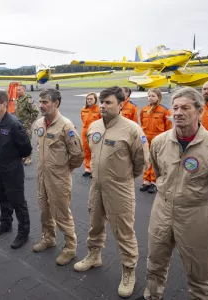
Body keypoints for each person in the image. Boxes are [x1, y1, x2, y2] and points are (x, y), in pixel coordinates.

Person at [136, 87, 208, 300]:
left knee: (199, 271)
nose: (178, 112)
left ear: (199, 111)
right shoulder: (159, 142)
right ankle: (152, 296)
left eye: (185, 107)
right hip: (162, 208)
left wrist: (197, 200)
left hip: (195, 213)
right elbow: (159, 173)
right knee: (155, 261)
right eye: (175, 108)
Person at [74, 86, 149, 298]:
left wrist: (123, 177)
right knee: (95, 224)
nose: (102, 106)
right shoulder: (95, 126)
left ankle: (128, 270)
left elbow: (141, 162)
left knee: (124, 230)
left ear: (121, 104)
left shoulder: (132, 129)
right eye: (102, 101)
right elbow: (91, 152)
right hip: (96, 185)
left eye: (108, 102)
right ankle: (94, 255)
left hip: (120, 186)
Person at [32, 89, 83, 266]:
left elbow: (77, 155)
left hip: (59, 178)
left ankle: (70, 248)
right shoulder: (39, 123)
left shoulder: (66, 126)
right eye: (40, 102)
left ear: (56, 103)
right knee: (44, 210)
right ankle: (49, 238)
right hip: (42, 177)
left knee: (61, 214)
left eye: (45, 102)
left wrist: (64, 170)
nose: (41, 105)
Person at [0, 90, 32, 249]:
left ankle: (23, 233)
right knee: (1, 197)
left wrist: (13, 158)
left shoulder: (14, 124)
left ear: (4, 104)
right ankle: (6, 223)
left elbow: (26, 149)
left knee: (18, 201)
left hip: (12, 170)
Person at [139, 88, 172, 193]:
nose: (150, 98)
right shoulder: (144, 110)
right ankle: (146, 180)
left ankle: (154, 181)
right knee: (147, 160)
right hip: (146, 139)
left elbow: (168, 128)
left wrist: (167, 140)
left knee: (156, 161)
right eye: (149, 95)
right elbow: (142, 125)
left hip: (158, 140)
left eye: (153, 96)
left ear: (158, 97)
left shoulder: (164, 110)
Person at [14, 84, 39, 166]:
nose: (17, 91)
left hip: (26, 125)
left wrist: (30, 122)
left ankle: (28, 158)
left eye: (19, 90)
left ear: (24, 90)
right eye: (17, 90)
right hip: (18, 124)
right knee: (20, 141)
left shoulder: (28, 100)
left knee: (27, 142)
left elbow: (35, 112)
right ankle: (23, 156)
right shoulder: (18, 100)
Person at [80, 92, 101, 177]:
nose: (89, 100)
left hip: (95, 133)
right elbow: (82, 119)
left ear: (95, 99)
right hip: (85, 132)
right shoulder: (83, 109)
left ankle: (95, 170)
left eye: (91, 99)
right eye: (88, 99)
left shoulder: (99, 110)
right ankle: (88, 168)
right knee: (86, 151)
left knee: (95, 152)